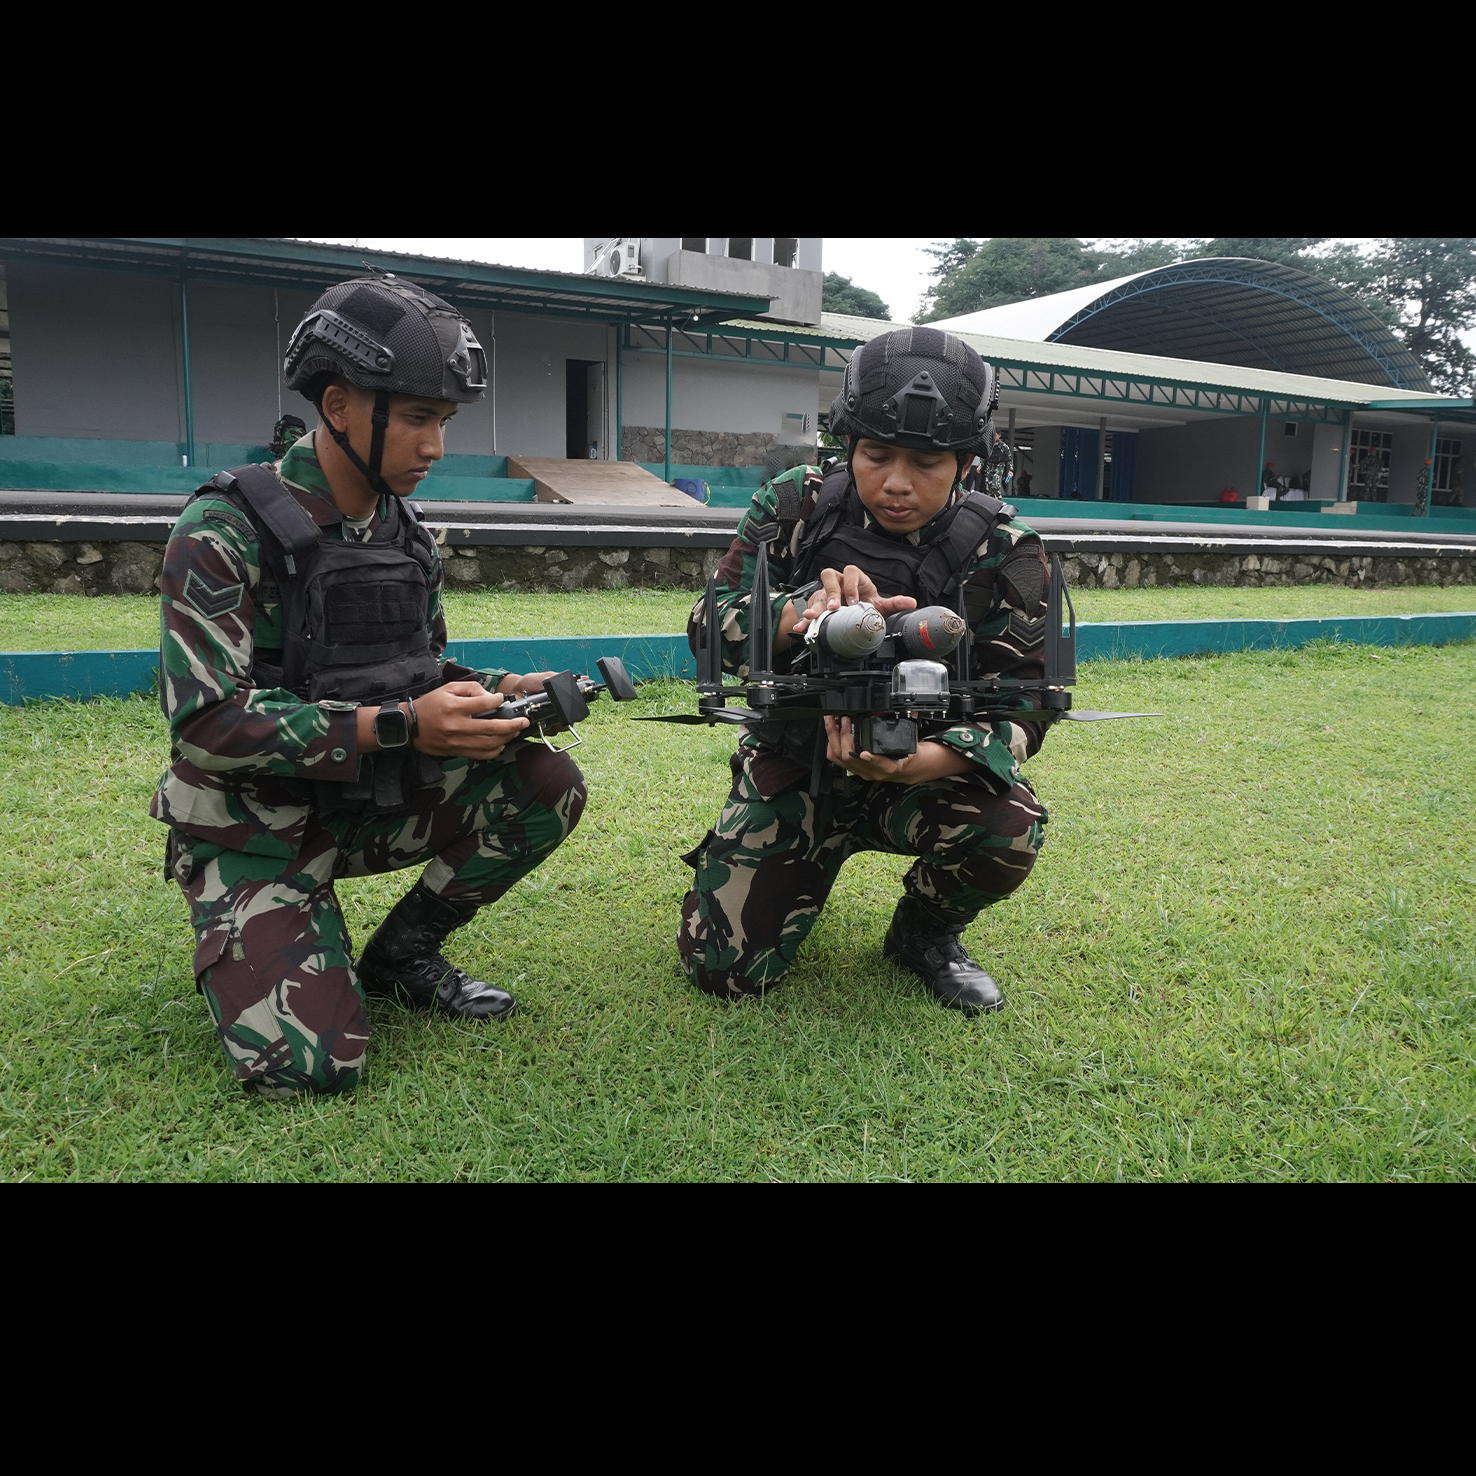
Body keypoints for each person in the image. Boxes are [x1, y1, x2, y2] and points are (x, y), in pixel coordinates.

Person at [153, 275, 586, 1098]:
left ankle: (400, 957)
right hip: (254, 827)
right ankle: (266, 919)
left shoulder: (404, 532)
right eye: (419, 418)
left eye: (444, 421)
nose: (436, 446)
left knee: (546, 783)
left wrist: (502, 689)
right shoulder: (223, 529)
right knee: (313, 1070)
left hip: (361, 802)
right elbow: (208, 725)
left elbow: (421, 673)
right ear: (340, 405)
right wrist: (401, 725)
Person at [678, 327, 1052, 1016]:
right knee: (724, 975)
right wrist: (797, 613)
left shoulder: (1007, 551)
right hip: (796, 768)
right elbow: (707, 625)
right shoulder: (797, 505)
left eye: (927, 462)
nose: (897, 483)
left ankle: (926, 932)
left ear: (968, 463)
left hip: (924, 771)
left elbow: (1028, 702)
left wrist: (927, 762)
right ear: (848, 444)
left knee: (1009, 824)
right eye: (876, 455)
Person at [983, 429, 1014, 495]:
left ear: (999, 435)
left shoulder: (1003, 446)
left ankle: (998, 499)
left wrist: (1010, 469)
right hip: (989, 467)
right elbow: (983, 456)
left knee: (995, 486)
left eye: (995, 435)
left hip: (998, 467)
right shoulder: (989, 445)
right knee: (988, 487)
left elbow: (1009, 458)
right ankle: (990, 500)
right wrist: (980, 465)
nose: (994, 437)